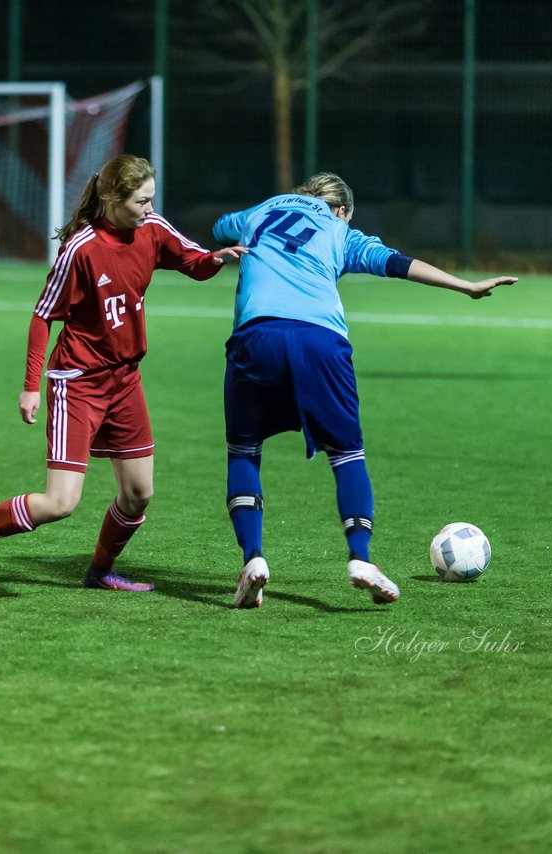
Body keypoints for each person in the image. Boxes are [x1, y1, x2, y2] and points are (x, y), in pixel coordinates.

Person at [0, 154, 246, 596]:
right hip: (78, 382)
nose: (149, 208)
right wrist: (31, 386)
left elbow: (193, 262)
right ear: (112, 197)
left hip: (125, 381)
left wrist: (218, 259)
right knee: (60, 503)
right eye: (141, 200)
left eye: (151, 199)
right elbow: (41, 316)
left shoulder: (153, 229)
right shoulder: (81, 249)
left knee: (138, 494)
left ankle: (99, 571)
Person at [212, 173, 517, 609]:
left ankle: (253, 559)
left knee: (244, 452)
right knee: (345, 453)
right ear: (341, 210)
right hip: (321, 341)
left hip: (255, 337)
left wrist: (228, 241)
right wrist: (466, 286)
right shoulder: (340, 231)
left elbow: (222, 226)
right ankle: (359, 558)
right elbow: (398, 262)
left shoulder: (262, 210)